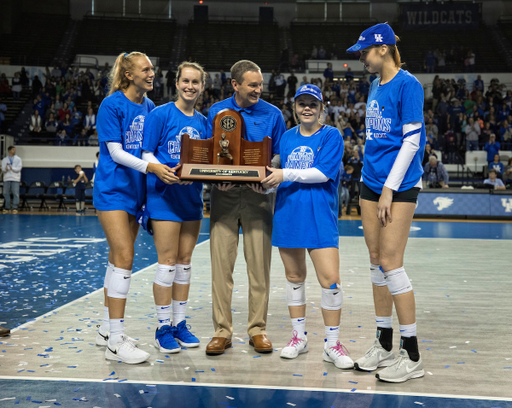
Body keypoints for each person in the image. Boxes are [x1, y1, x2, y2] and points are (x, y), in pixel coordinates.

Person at [346, 23, 426, 383]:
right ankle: (384, 341)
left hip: (399, 185)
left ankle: (412, 355)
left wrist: (390, 189)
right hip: (371, 183)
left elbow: (412, 142)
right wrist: (374, 183)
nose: (360, 57)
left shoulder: (408, 85)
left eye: (364, 51)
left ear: (383, 48)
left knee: (392, 264)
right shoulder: (376, 84)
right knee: (376, 261)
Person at [262, 83, 354, 369]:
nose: (307, 108)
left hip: (319, 216)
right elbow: (276, 175)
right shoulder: (286, 138)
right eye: (302, 103)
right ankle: (298, 338)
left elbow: (321, 174)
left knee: (331, 281)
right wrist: (263, 185)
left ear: (321, 108)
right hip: (288, 213)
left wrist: (282, 173)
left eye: (312, 104)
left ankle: (332, 344)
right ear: (294, 107)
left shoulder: (331, 136)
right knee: (294, 277)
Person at [93, 51, 175, 364]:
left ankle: (105, 328)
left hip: (137, 194)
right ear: (129, 75)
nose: (152, 73)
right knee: (125, 255)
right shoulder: (111, 105)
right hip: (113, 190)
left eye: (152, 68)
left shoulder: (151, 107)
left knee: (117, 259)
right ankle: (115, 341)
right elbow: (115, 152)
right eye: (146, 69)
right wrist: (152, 169)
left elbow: (149, 150)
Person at [205, 60, 287, 356]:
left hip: (259, 196)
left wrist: (268, 174)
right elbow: (209, 151)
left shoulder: (274, 114)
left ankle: (257, 329)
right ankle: (221, 332)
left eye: (260, 85)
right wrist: (215, 179)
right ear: (235, 84)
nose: (258, 90)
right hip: (224, 195)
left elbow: (279, 154)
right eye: (252, 85)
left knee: (259, 268)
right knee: (221, 268)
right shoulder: (216, 111)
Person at [141, 62, 207, 354]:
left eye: (196, 82)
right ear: (177, 83)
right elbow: (146, 152)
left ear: (202, 87)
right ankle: (162, 327)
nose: (190, 86)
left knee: (184, 263)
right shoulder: (160, 114)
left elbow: (208, 161)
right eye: (186, 81)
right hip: (164, 196)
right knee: (167, 263)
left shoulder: (205, 122)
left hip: (192, 198)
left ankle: (179, 324)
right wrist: (161, 170)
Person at [1, 146, 22, 214]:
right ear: (9, 151)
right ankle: (7, 207)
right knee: (5, 193)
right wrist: (6, 169)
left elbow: (19, 168)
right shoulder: (4, 159)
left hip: (15, 178)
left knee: (15, 193)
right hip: (7, 178)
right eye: (13, 150)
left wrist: (12, 168)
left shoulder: (18, 159)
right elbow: (3, 169)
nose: (14, 151)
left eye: (15, 150)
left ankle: (15, 207)